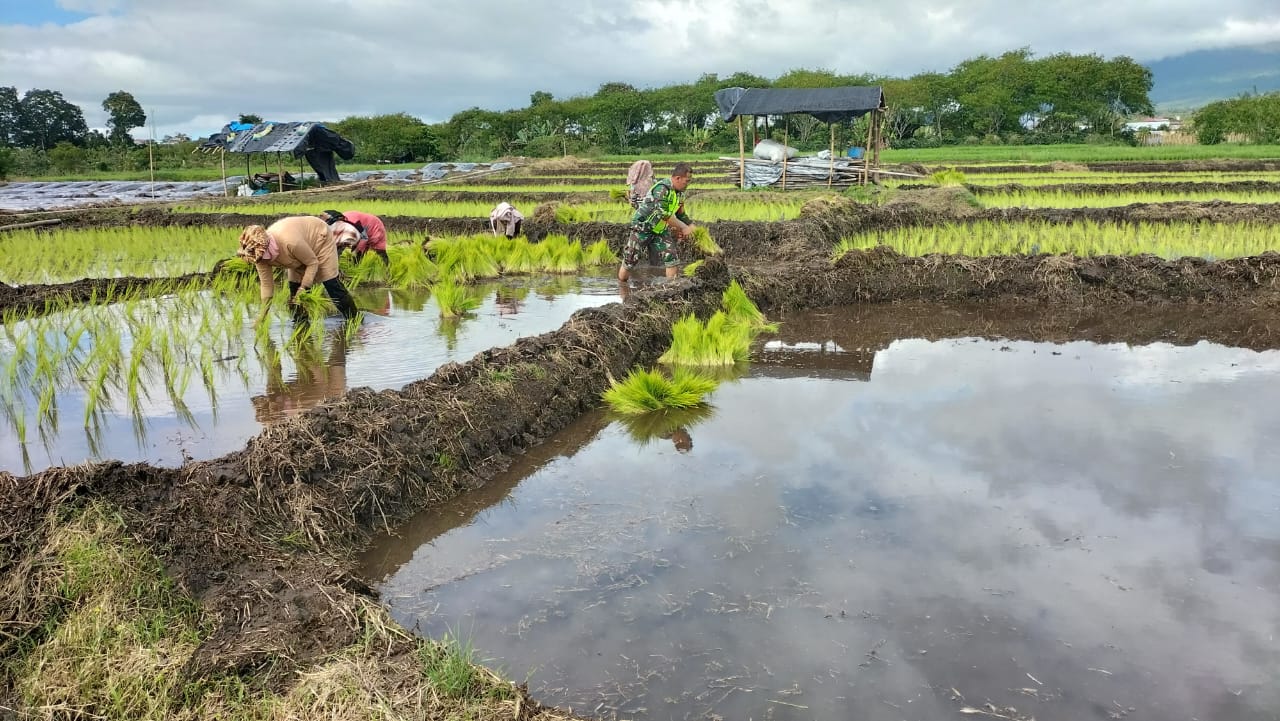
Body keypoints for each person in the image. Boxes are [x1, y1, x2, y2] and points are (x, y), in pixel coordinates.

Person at [237, 215, 359, 325]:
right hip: (295, 254)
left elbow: (312, 263)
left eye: (262, 257)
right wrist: (261, 317)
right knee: (294, 291)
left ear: (266, 247)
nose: (261, 261)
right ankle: (301, 325)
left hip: (318, 238)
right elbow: (267, 286)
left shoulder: (290, 242)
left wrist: (304, 287)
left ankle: (354, 319)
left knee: (331, 283)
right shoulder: (257, 256)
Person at [619, 162, 696, 282]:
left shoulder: (680, 194)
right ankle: (622, 287)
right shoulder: (662, 189)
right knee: (630, 260)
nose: (688, 183)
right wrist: (684, 227)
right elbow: (663, 214)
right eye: (687, 180)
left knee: (671, 256)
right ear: (678, 178)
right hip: (642, 228)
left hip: (659, 230)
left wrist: (692, 227)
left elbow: (681, 214)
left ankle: (672, 288)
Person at [321, 209, 389, 266]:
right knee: (340, 246)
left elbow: (364, 238)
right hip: (355, 229)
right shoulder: (335, 225)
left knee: (379, 251)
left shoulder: (354, 222)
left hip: (373, 226)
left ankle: (387, 266)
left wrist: (356, 252)